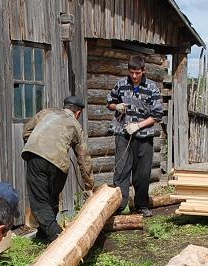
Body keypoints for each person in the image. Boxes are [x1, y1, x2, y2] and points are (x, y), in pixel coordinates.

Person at [21, 96, 94, 243]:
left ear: (65, 106)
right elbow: (83, 157)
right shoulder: (75, 125)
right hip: (59, 164)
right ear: (78, 113)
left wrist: (36, 145)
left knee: (40, 200)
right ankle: (45, 234)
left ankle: (56, 235)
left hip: (36, 156)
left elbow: (26, 131)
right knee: (51, 198)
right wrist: (89, 186)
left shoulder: (46, 113)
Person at [107, 55, 164, 217]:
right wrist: (116, 106)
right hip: (123, 134)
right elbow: (110, 102)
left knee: (142, 173)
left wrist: (138, 125)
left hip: (144, 136)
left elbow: (157, 115)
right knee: (122, 171)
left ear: (143, 70)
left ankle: (141, 205)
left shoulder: (152, 88)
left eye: (137, 72)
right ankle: (118, 206)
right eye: (131, 72)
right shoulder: (121, 85)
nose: (134, 75)